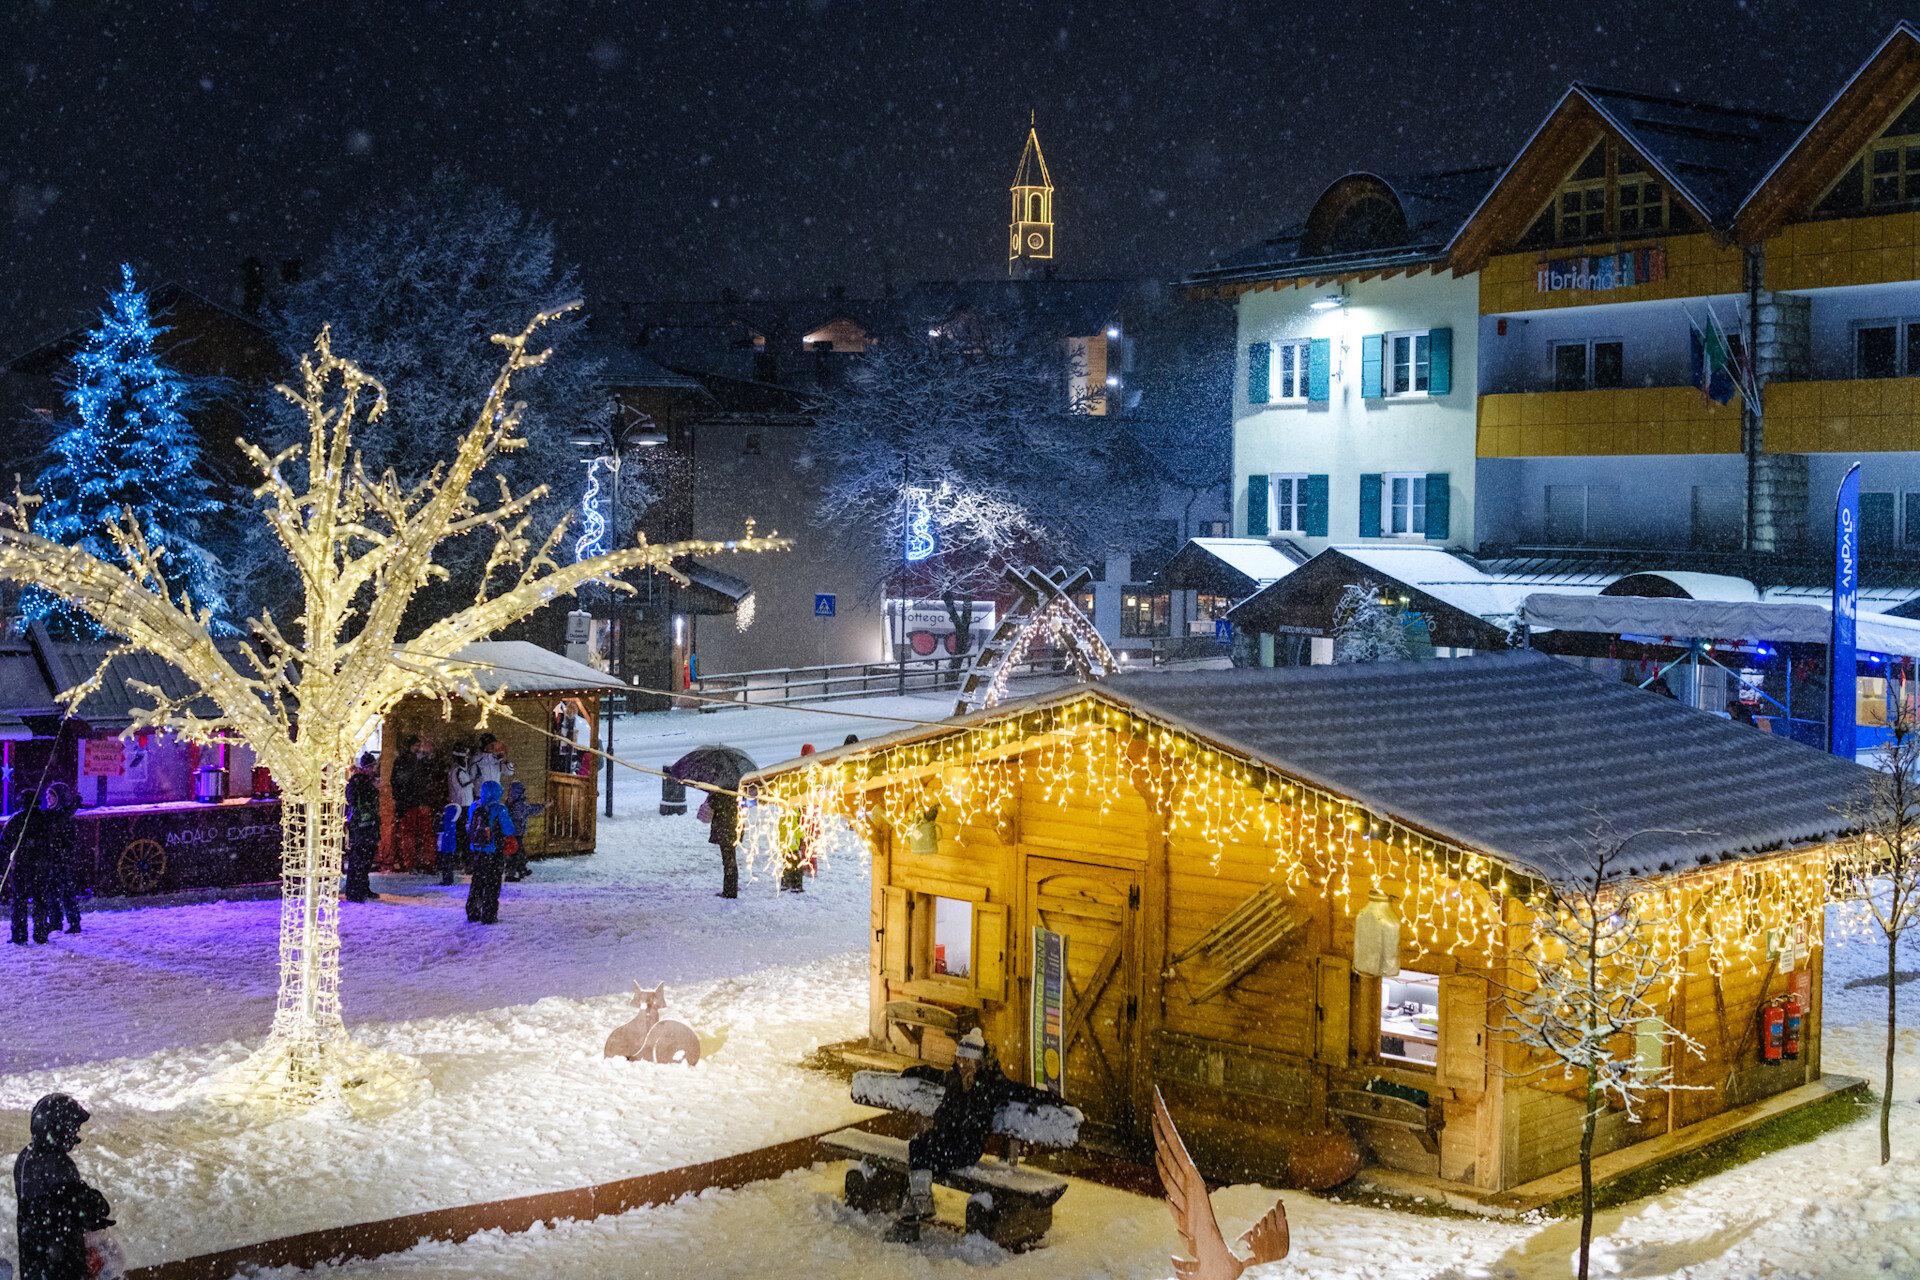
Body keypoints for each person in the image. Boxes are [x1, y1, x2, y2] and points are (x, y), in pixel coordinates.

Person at [885, 1029, 1048, 1243]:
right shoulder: (954, 1077)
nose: (959, 1063)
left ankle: (917, 1208)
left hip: (967, 1146)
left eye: (963, 1059)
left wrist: (1055, 1101)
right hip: (944, 1137)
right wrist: (914, 1071)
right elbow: (933, 1073)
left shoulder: (991, 1083)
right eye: (958, 1058)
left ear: (975, 1061)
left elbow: (1023, 1092)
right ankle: (919, 1204)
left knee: (926, 1159)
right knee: (917, 1146)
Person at [13, 1092, 113, 1280]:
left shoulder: (26, 1156)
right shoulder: (57, 1163)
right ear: (57, 1129)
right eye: (72, 1128)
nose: (76, 1135)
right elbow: (84, 1208)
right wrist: (98, 1206)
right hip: (60, 1261)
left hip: (35, 1260)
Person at [464, 779, 514, 924]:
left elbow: (469, 826)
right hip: (494, 852)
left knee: (477, 882)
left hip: (477, 851)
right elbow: (509, 829)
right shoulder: (499, 808)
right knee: (492, 884)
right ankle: (488, 915)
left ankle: (473, 912)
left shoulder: (474, 806)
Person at [36, 783, 83, 935]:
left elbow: (69, 840)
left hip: (61, 859)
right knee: (51, 892)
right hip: (50, 859)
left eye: (52, 795)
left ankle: (74, 922)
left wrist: (61, 853)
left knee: (66, 892)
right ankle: (55, 922)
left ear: (59, 798)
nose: (48, 798)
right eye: (47, 795)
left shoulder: (63, 817)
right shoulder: (51, 814)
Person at [391, 736, 439, 872]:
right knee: (411, 835)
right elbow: (399, 782)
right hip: (411, 804)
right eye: (415, 746)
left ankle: (424, 863)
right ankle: (412, 864)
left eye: (419, 746)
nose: (417, 748)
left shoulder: (418, 761)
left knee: (423, 834)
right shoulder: (405, 761)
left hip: (419, 803)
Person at [6, 800, 45, 946]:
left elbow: (5, 841)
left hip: (21, 866)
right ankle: (40, 934)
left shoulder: (16, 819)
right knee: (40, 900)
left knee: (19, 901)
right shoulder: (44, 819)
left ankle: (20, 935)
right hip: (40, 866)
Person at [343, 753, 381, 903]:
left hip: (367, 825)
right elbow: (355, 801)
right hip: (361, 826)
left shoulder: (363, 781)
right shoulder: (358, 781)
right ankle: (354, 891)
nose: (373, 769)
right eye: (370, 767)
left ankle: (363, 888)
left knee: (366, 859)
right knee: (359, 859)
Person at [442, 746, 479, 885]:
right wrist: (474, 779)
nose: (466, 759)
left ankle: (466, 861)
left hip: (467, 805)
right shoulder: (456, 771)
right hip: (460, 806)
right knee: (462, 835)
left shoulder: (463, 771)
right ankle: (463, 861)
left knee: (465, 835)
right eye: (464, 757)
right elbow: (463, 785)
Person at [502, 780, 543, 882]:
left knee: (519, 852)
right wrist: (543, 806)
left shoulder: (509, 801)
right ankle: (510, 874)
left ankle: (522, 869)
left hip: (511, 831)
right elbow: (530, 810)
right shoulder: (519, 804)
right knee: (515, 853)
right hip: (516, 832)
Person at [707, 789, 740, 899]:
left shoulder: (720, 790)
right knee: (730, 858)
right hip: (735, 826)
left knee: (728, 860)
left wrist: (711, 796)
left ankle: (730, 890)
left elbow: (713, 804)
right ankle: (732, 886)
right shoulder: (738, 787)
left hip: (725, 828)